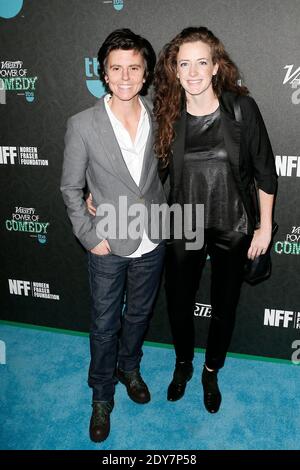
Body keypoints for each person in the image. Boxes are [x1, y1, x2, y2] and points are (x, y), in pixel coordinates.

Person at [153, 26, 277, 413]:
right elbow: (146, 174)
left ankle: (210, 371)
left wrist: (265, 226)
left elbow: (265, 171)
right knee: (178, 303)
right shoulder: (167, 114)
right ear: (174, 69)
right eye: (183, 63)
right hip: (184, 220)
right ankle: (184, 364)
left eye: (201, 62)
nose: (192, 72)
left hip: (232, 220)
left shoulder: (242, 109)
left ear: (216, 66)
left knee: (225, 305)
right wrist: (97, 196)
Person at [61, 29, 166, 442]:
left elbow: (158, 178)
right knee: (105, 323)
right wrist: (89, 235)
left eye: (134, 68)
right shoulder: (82, 124)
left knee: (139, 316)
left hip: (153, 237)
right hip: (106, 241)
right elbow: (71, 188)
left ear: (145, 74)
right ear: (104, 74)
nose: (125, 77)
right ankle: (102, 395)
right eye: (116, 68)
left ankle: (130, 368)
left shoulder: (161, 115)